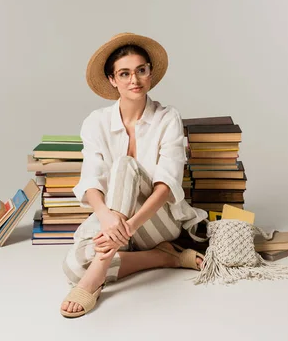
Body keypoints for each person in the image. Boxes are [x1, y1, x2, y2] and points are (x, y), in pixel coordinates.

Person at [60, 33, 208, 318]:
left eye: (141, 70)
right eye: (124, 73)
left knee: (124, 165)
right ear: (113, 80)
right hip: (115, 222)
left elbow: (167, 184)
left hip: (157, 222)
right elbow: (91, 178)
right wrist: (106, 217)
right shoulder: (96, 122)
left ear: (150, 72)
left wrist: (125, 229)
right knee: (72, 266)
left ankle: (97, 276)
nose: (135, 80)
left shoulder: (168, 117)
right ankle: (164, 258)